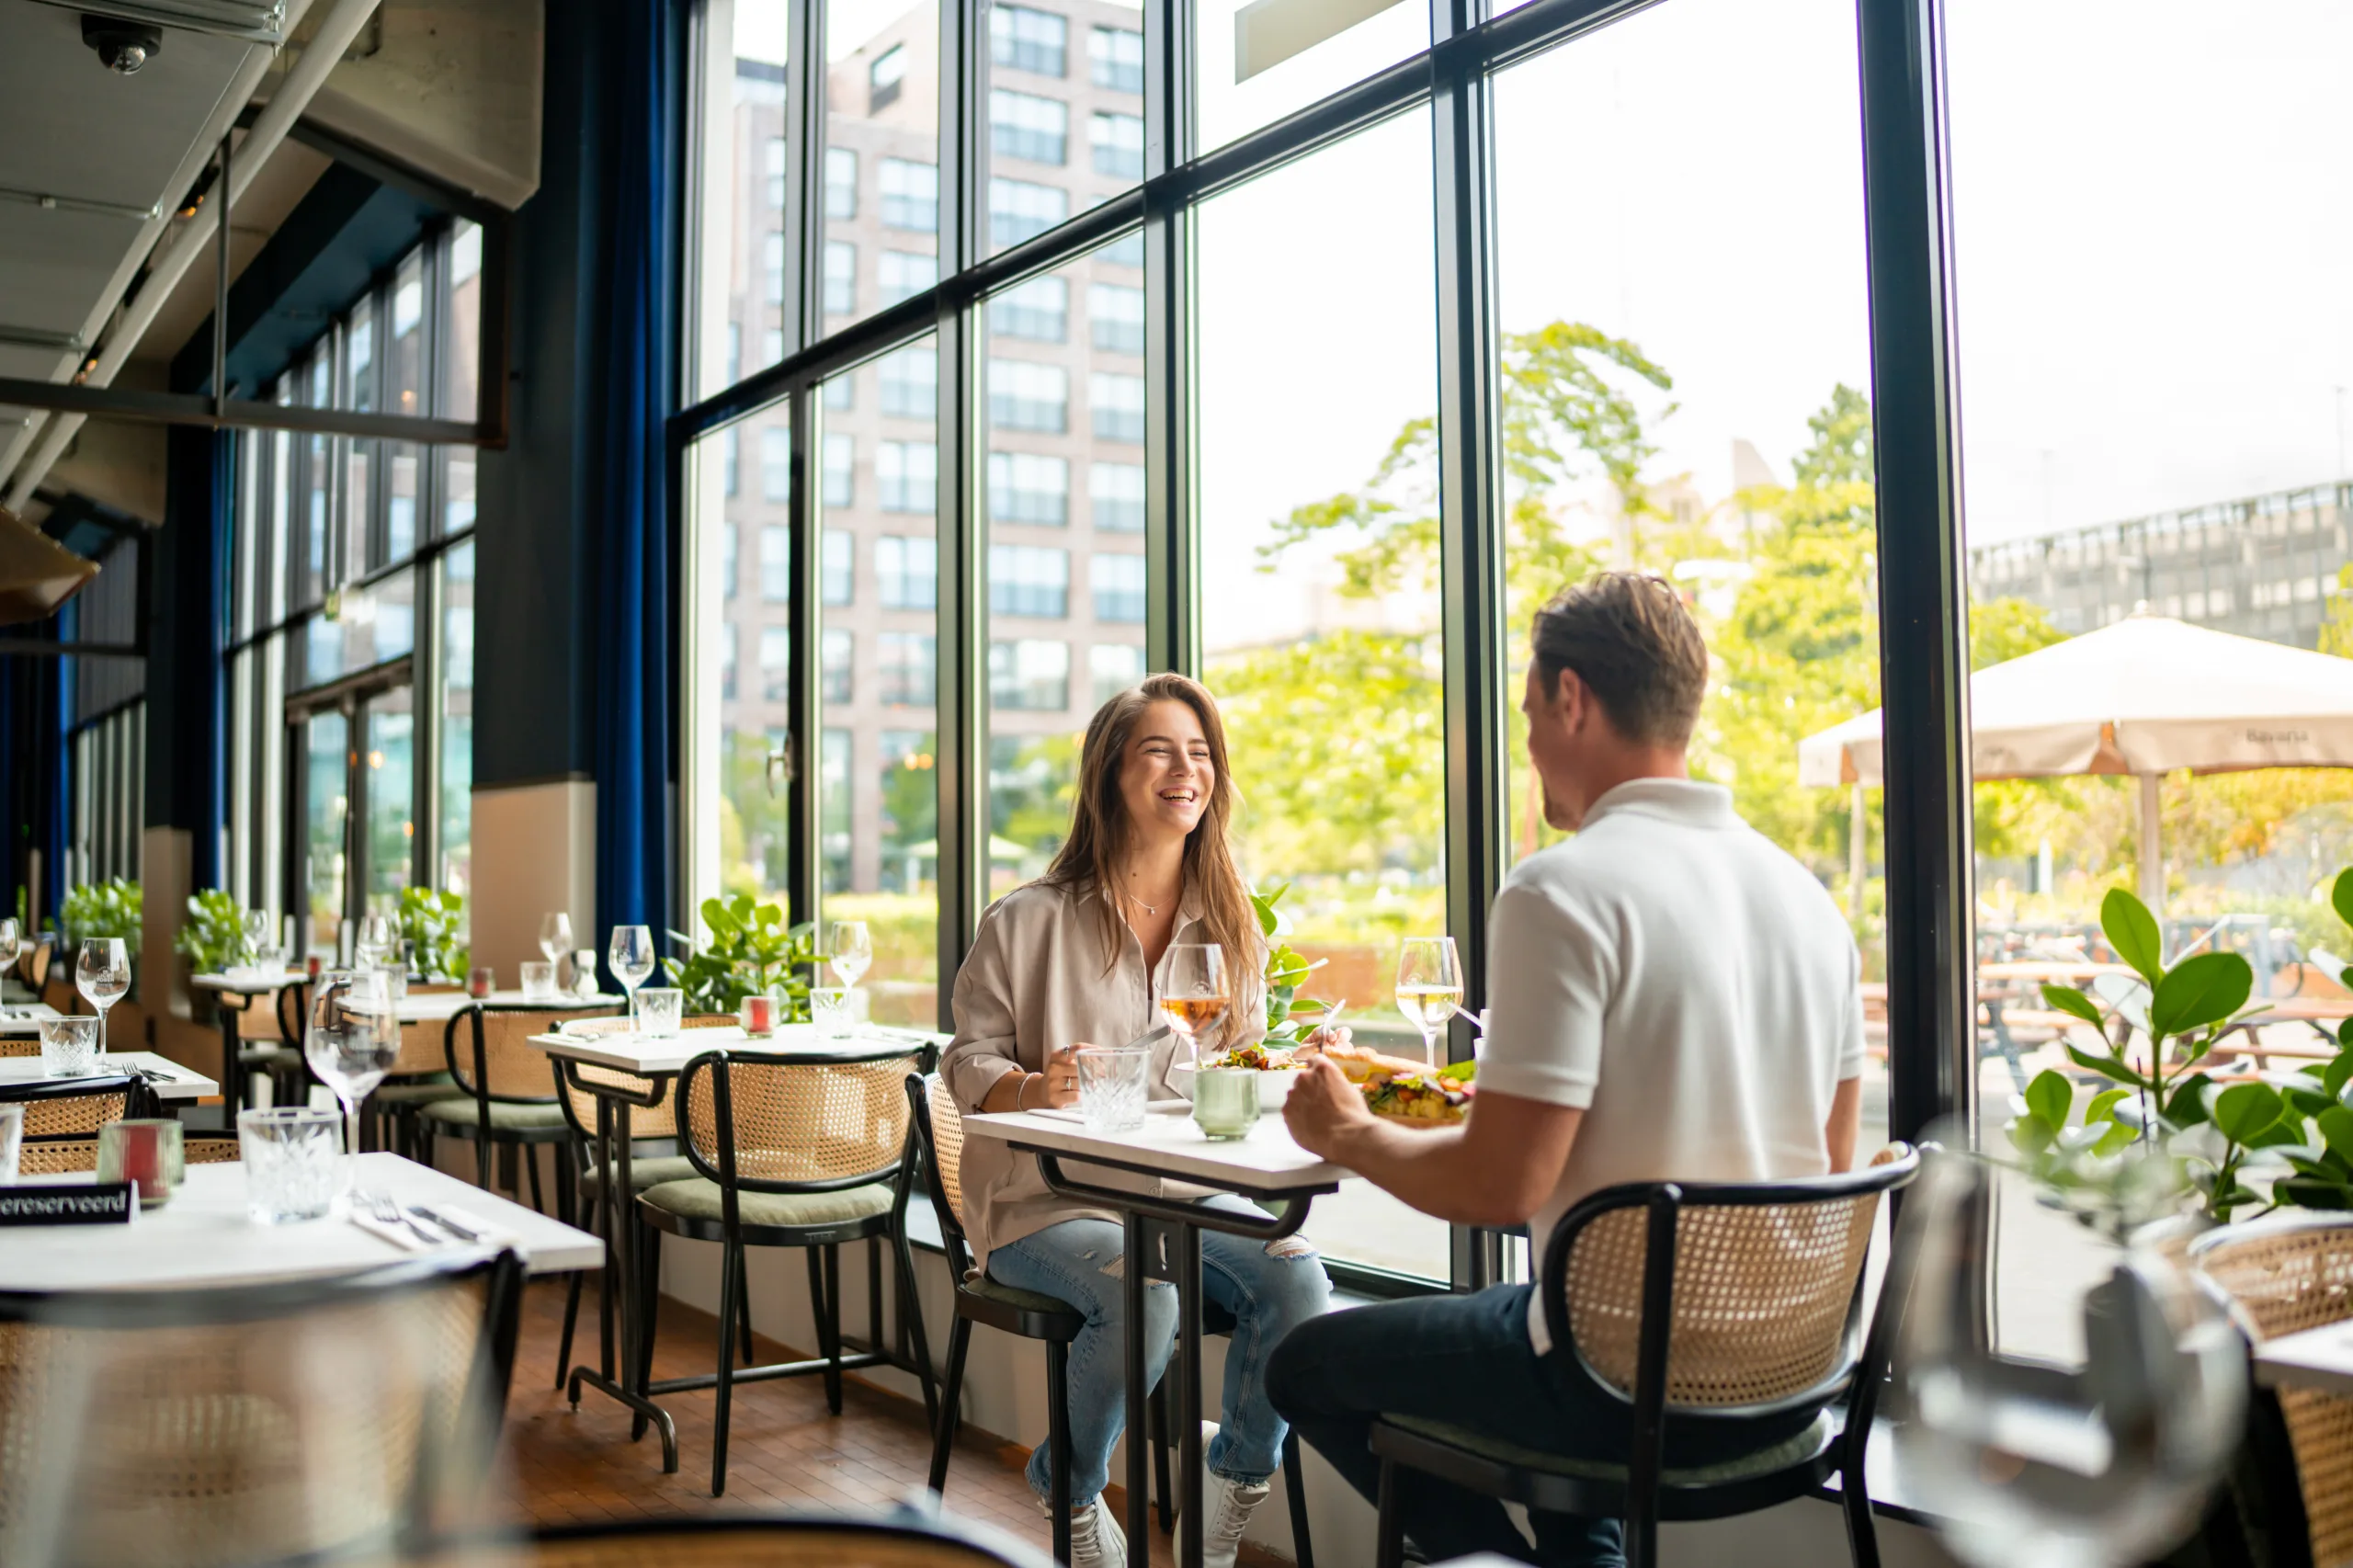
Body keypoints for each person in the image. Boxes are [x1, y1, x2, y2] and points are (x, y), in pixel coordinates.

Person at [1267, 571, 1867, 1568]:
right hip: (1789, 1378)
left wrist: (1345, 1134)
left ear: (1571, 697)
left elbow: (1499, 1184)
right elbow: (1828, 1161)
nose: (1530, 743)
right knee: (1546, 1312)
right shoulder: (1805, 898)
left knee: (1306, 1365)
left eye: (1528, 711)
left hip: (1615, 1379)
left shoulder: (1561, 889)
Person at [939, 672, 1333, 1568]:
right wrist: (1031, 1086)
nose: (1183, 768)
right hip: (1045, 1201)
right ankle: (1071, 1488)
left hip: (1183, 1196)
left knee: (1298, 1278)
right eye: (1158, 748)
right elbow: (963, 1062)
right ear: (1110, 772)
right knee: (1143, 1299)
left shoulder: (1231, 927)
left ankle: (1228, 1490)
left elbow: (1233, 1068)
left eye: (1199, 752)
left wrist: (1286, 1066)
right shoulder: (1026, 919)